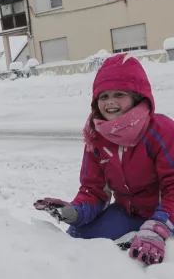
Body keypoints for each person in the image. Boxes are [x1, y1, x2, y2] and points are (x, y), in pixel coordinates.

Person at [34, 53, 174, 266]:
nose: (110, 102)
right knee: (75, 240)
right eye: (103, 96)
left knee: (144, 265)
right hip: (128, 213)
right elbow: (94, 189)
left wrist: (158, 227)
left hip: (166, 213)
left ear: (137, 96)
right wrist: (75, 212)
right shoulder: (96, 137)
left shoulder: (161, 130)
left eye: (119, 94)